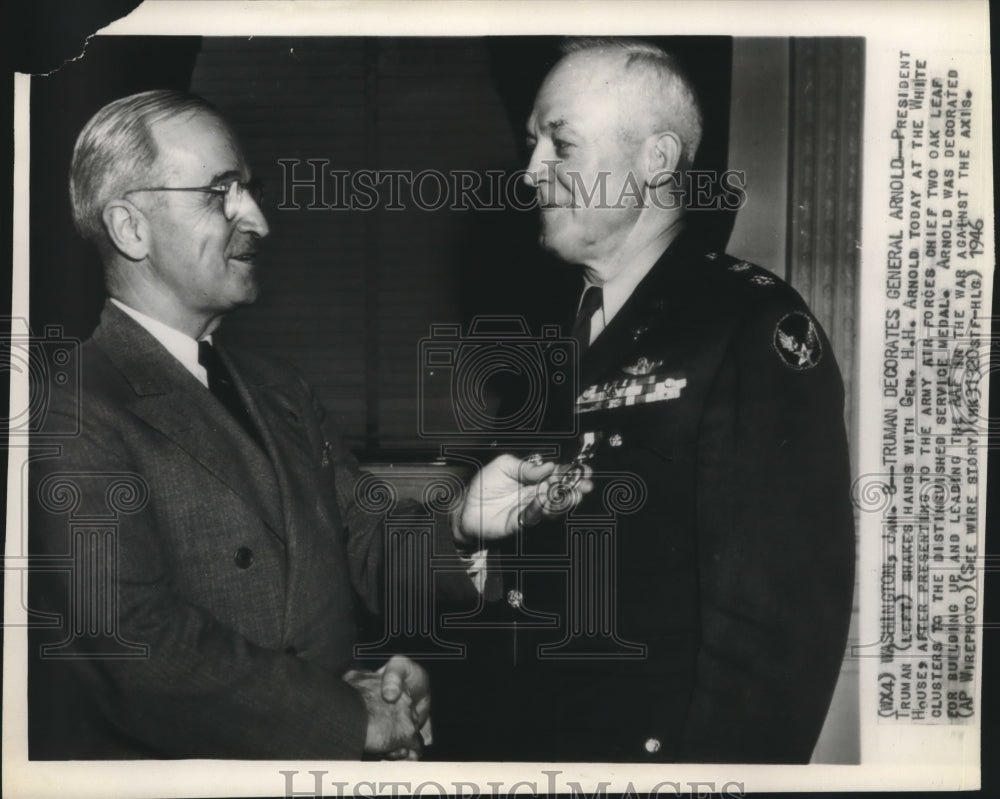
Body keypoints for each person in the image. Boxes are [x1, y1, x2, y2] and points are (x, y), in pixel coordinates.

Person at [27, 90, 581, 760]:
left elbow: (363, 542)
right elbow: (134, 646)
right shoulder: (70, 406)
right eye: (219, 193)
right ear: (130, 227)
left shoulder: (279, 389)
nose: (257, 219)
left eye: (250, 190)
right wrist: (350, 714)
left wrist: (462, 523)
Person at [437, 38, 855, 764]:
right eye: (531, 143)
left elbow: (777, 640)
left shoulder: (747, 326)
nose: (531, 171)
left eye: (559, 144)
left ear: (657, 161)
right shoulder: (564, 329)